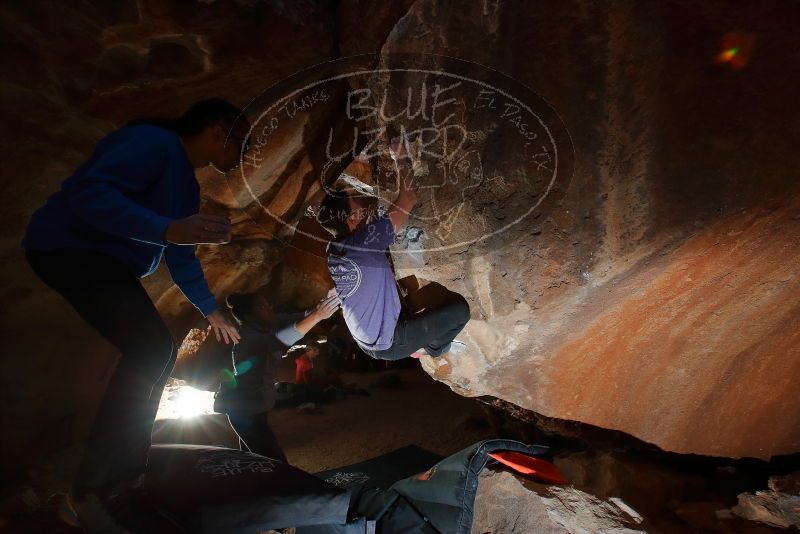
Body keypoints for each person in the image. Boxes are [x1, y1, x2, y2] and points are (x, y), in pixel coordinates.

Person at [22, 98, 248, 531]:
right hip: (70, 248)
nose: (241, 155)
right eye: (240, 141)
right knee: (151, 348)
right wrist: (164, 228)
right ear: (219, 130)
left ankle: (122, 480)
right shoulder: (153, 141)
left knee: (154, 350)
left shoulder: (185, 184)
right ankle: (96, 489)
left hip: (98, 259)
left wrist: (212, 310)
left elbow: (181, 256)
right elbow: (88, 192)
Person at [316, 138, 470, 361]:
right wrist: (401, 157)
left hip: (364, 339)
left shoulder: (334, 249)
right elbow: (408, 197)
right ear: (351, 219)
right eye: (356, 204)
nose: (361, 203)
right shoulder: (364, 242)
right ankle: (433, 349)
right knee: (460, 311)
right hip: (389, 343)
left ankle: (415, 339)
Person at [214, 291, 339, 462]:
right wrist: (318, 316)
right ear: (249, 316)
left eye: (268, 304)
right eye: (262, 307)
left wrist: (318, 308)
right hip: (243, 410)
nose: (269, 309)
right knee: (274, 461)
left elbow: (297, 317)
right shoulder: (246, 338)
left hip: (256, 406)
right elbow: (280, 340)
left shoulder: (268, 323)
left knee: (255, 458)